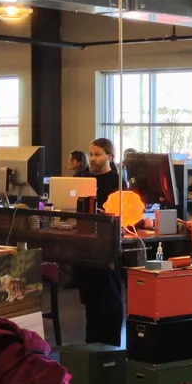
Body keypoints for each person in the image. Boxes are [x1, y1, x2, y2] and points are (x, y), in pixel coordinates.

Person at [77, 138, 123, 345]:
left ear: (109, 157)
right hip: (86, 244)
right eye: (91, 154)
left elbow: (121, 213)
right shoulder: (82, 179)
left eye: (97, 154)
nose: (92, 158)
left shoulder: (117, 181)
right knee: (91, 301)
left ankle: (111, 346)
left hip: (107, 244)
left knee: (108, 297)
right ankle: (91, 348)